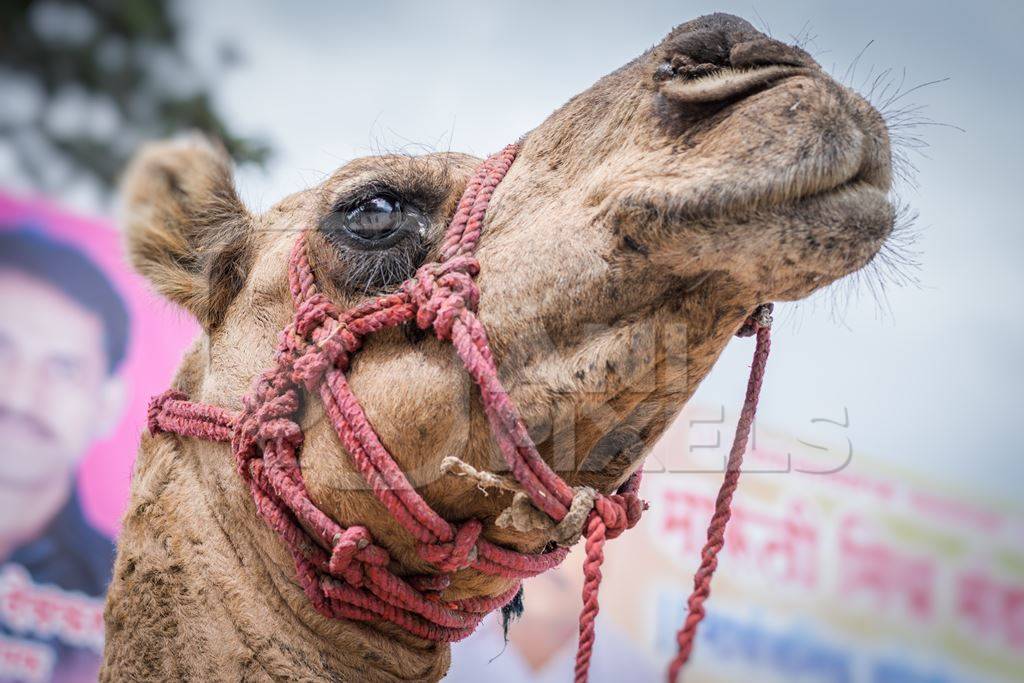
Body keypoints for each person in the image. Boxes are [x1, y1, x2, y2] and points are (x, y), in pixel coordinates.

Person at [0, 228, 128, 683]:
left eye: (63, 369)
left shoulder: (128, 600)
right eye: (2, 350)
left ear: (107, 405)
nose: (18, 394)